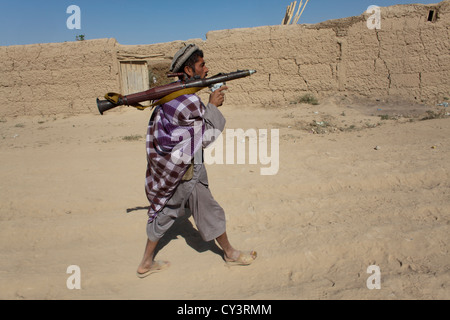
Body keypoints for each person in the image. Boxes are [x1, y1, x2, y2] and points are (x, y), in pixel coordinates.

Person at [136, 44, 257, 278]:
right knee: (207, 208)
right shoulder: (188, 102)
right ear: (189, 71)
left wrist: (208, 102)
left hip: (173, 167)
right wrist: (212, 105)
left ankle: (146, 262)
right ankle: (230, 253)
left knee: (165, 211)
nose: (206, 68)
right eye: (202, 65)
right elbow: (205, 136)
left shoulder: (173, 96)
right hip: (187, 169)